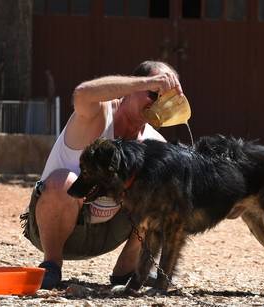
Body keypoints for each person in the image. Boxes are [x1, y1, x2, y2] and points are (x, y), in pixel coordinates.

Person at [20, 60, 183, 289]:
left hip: (107, 234)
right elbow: (82, 93)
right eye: (153, 94)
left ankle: (128, 270)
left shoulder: (155, 143)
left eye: (164, 99)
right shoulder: (97, 114)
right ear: (133, 87)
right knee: (63, 181)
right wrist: (149, 82)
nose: (157, 104)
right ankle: (51, 265)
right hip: (53, 227)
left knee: (166, 190)